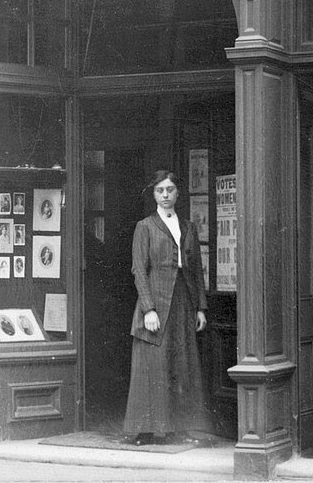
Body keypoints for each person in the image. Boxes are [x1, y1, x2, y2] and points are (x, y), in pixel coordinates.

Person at [124, 170, 207, 446]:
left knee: (180, 364)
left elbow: (196, 271)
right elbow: (139, 270)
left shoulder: (189, 227)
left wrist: (200, 308)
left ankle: (178, 428)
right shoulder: (145, 226)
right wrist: (148, 309)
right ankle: (145, 430)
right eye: (160, 190)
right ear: (154, 194)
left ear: (178, 193)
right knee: (152, 366)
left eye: (170, 189)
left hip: (183, 301)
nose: (166, 195)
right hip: (156, 303)